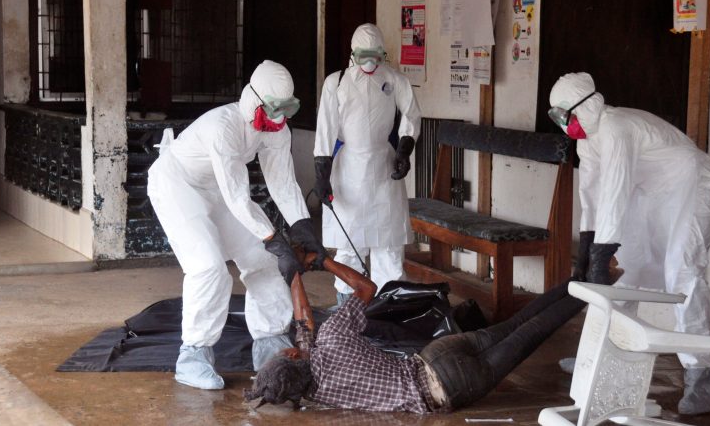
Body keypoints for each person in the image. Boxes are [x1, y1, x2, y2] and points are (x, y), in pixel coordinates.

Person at [548, 72, 710, 415]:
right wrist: (586, 253)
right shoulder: (588, 141)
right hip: (655, 195)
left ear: (584, 107)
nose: (564, 124)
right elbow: (592, 197)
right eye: (557, 117)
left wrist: (601, 254)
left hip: (696, 186)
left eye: (565, 115)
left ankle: (703, 374)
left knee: (683, 270)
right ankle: (607, 349)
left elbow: (615, 189)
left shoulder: (616, 126)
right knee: (626, 271)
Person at [147, 60, 327, 390]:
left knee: (265, 261)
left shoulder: (276, 126)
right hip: (178, 185)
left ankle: (269, 340)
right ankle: (193, 354)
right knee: (208, 267)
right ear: (254, 100)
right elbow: (237, 196)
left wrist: (302, 226)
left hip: (217, 189)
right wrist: (274, 238)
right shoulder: (224, 126)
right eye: (273, 109)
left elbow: (282, 181)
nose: (278, 117)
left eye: (283, 110)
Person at [244, 253, 590, 413]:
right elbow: (365, 288)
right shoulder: (334, 337)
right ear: (291, 355)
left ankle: (591, 286)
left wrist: (293, 277)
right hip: (434, 355)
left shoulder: (317, 397)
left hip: (447, 389)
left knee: (531, 335)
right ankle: (581, 278)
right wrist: (320, 263)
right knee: (516, 325)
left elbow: (304, 330)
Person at [313, 23, 422, 303]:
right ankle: (347, 310)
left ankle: (389, 311)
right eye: (364, 55)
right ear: (353, 53)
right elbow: (325, 130)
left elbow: (411, 115)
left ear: (383, 53)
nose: (370, 62)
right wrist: (321, 176)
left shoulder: (395, 80)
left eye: (376, 55)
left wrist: (403, 151)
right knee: (350, 244)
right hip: (348, 168)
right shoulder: (336, 82)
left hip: (384, 166)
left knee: (389, 244)